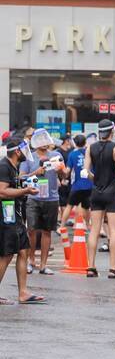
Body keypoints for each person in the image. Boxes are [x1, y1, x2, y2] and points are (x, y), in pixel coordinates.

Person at [0, 138, 45, 304]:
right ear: (17, 151)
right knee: (6, 254)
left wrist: (31, 177)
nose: (27, 153)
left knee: (24, 250)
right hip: (6, 217)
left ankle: (23, 293)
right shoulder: (4, 166)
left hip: (15, 216)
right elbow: (2, 192)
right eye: (25, 149)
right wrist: (25, 190)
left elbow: (15, 183)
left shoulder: (12, 167)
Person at [84, 119, 115, 279]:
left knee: (94, 230)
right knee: (114, 231)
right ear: (111, 132)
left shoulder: (90, 147)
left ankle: (91, 267)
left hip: (96, 191)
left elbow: (85, 172)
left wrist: (96, 178)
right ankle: (113, 268)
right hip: (112, 191)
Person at [20, 128, 66, 275]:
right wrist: (36, 173)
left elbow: (64, 176)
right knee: (31, 231)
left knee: (47, 231)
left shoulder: (56, 155)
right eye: (41, 140)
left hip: (51, 198)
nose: (44, 143)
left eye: (46, 140)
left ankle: (43, 265)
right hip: (33, 197)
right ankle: (30, 261)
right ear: (35, 142)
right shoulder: (29, 158)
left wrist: (60, 170)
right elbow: (21, 178)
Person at [60, 134, 92, 229]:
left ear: (75, 143)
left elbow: (67, 171)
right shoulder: (89, 153)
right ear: (85, 142)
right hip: (89, 185)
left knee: (69, 206)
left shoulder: (72, 154)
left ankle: (61, 226)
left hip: (77, 186)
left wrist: (60, 169)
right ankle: (87, 226)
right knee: (87, 207)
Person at [56, 134, 73, 225]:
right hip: (61, 177)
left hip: (69, 178)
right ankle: (62, 218)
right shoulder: (59, 152)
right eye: (69, 140)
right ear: (66, 141)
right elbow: (59, 166)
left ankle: (64, 218)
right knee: (62, 198)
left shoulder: (70, 151)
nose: (70, 141)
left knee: (67, 198)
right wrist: (62, 178)